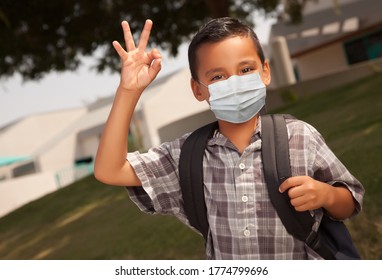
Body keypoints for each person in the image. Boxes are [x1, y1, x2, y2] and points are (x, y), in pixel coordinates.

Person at [94, 17, 364, 259]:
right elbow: (110, 170)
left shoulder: (300, 136)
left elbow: (350, 202)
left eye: (246, 70)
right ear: (198, 90)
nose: (234, 83)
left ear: (265, 72)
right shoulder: (186, 157)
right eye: (218, 76)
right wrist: (128, 91)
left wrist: (326, 195)